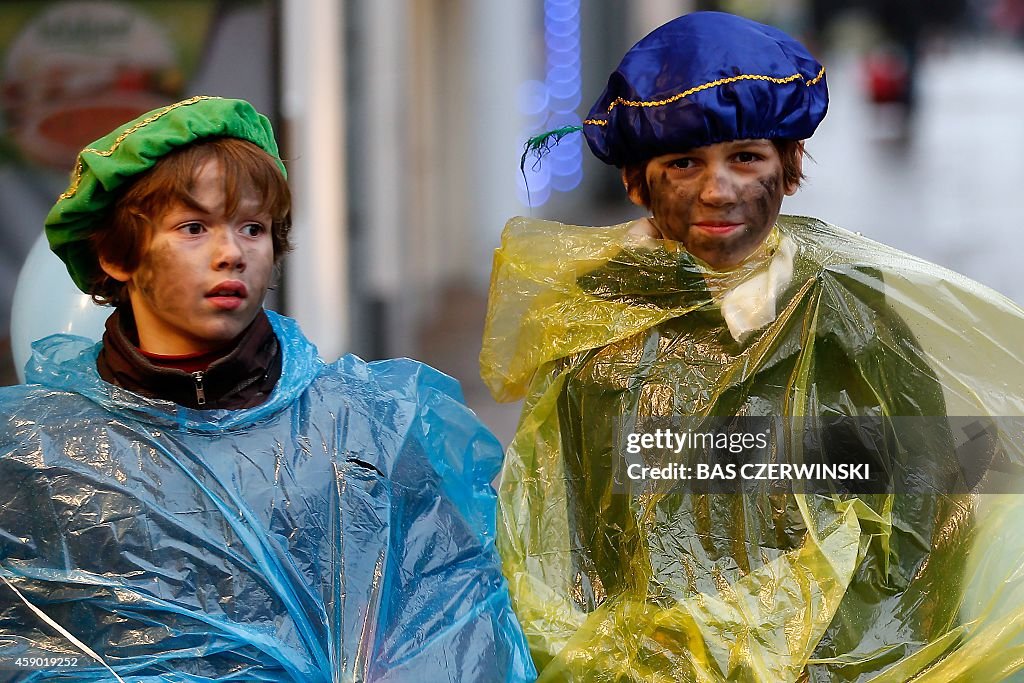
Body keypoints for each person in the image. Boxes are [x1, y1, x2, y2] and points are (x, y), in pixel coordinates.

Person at [481, 12, 1024, 682]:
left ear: (790, 166)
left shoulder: (847, 315)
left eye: (746, 157)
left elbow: (925, 500)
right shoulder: (599, 322)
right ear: (636, 182)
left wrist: (859, 652)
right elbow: (567, 526)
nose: (719, 188)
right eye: (684, 163)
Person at [0, 96, 536, 681]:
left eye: (252, 227)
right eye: (194, 227)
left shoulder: (367, 429)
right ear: (116, 255)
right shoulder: (38, 453)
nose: (231, 253)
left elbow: (458, 629)